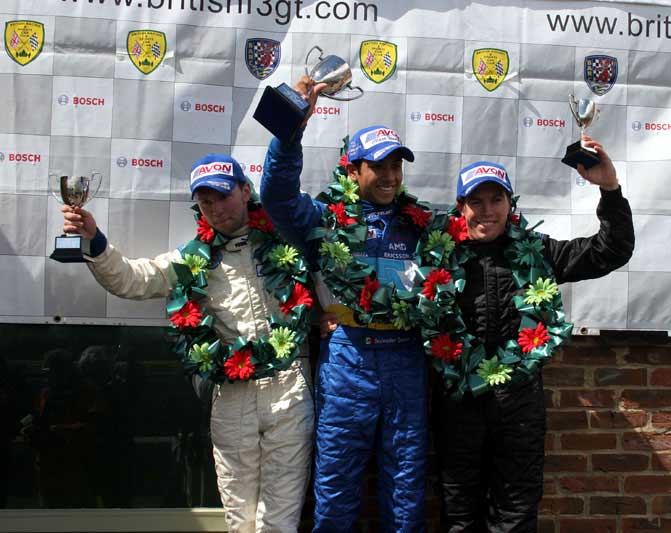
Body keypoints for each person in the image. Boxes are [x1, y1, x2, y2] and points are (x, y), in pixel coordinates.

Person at [60, 154, 314, 533]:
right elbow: (133, 279)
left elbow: (331, 276)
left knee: (280, 518)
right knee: (240, 519)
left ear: (246, 191)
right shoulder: (192, 259)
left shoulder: (289, 240)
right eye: (206, 201)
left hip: (289, 388)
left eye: (224, 196)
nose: (217, 208)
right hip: (232, 393)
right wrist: (94, 240)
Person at [432, 139, 635, 531]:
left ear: (511, 205)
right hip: (458, 405)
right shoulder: (437, 256)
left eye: (496, 200)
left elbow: (610, 251)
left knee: (516, 513)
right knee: (459, 515)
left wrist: (610, 189)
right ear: (460, 208)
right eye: (476, 201)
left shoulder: (537, 251)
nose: (487, 210)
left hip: (519, 408)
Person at [261, 76, 428, 531]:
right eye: (378, 166)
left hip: (405, 360)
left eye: (396, 165)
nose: (390, 176)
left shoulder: (422, 224)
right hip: (348, 358)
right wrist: (290, 130)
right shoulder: (323, 219)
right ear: (352, 171)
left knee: (406, 487)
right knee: (335, 487)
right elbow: (276, 196)